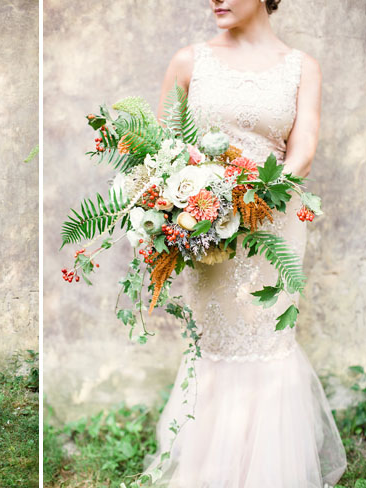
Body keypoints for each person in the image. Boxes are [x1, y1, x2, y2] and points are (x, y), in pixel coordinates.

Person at [144, 1, 347, 486]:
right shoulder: (189, 61)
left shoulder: (302, 67)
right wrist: (184, 207)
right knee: (215, 345)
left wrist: (246, 194)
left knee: (265, 342)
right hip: (204, 228)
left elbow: (303, 150)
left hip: (271, 227)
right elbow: (158, 149)